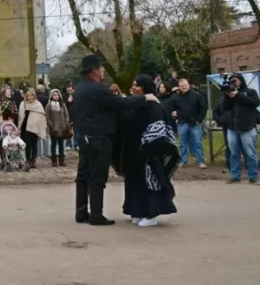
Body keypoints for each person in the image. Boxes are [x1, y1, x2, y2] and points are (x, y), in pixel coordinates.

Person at [72, 54, 156, 226]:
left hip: (84, 138)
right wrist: (145, 98)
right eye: (101, 67)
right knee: (97, 177)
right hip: (99, 138)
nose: (103, 70)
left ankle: (81, 212)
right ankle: (96, 214)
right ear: (94, 70)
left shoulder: (80, 88)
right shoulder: (98, 89)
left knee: (83, 175)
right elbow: (119, 103)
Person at [118, 74, 178, 227]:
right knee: (134, 181)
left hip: (147, 151)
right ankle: (138, 210)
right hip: (133, 151)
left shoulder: (154, 105)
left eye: (136, 85)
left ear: (144, 87)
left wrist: (149, 147)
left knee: (149, 181)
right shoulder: (135, 103)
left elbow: (158, 129)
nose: (133, 88)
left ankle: (152, 213)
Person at [216, 74, 259, 184]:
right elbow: (225, 107)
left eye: (234, 81)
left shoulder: (250, 92)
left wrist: (238, 95)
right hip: (232, 128)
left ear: (240, 80)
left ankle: (253, 175)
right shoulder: (230, 95)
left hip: (247, 127)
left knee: (250, 153)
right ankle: (235, 175)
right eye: (231, 81)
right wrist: (228, 96)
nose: (233, 83)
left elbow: (255, 103)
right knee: (234, 153)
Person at [171, 79, 207, 169]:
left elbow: (203, 108)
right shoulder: (176, 97)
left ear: (188, 85)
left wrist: (199, 119)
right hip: (182, 123)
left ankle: (200, 161)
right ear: (179, 87)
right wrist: (175, 117)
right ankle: (184, 161)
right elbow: (173, 110)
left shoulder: (197, 95)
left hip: (195, 123)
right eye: (182, 86)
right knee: (182, 143)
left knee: (198, 143)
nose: (184, 87)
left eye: (185, 85)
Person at [18, 89, 47, 169]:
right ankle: (27, 160)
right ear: (26, 97)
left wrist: (39, 124)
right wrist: (19, 127)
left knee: (34, 144)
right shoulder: (22, 104)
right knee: (27, 144)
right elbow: (20, 116)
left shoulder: (38, 104)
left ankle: (33, 160)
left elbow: (42, 117)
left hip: (35, 127)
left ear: (34, 96)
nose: (30, 97)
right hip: (25, 127)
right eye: (28, 96)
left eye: (32, 95)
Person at [46, 89, 71, 167]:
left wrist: (66, 123)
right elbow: (47, 117)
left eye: (57, 95)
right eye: (54, 95)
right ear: (51, 96)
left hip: (62, 128)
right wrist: (52, 126)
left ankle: (61, 161)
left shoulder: (62, 104)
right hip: (54, 129)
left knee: (61, 145)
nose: (56, 96)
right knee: (53, 145)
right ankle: (54, 161)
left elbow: (66, 115)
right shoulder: (49, 105)